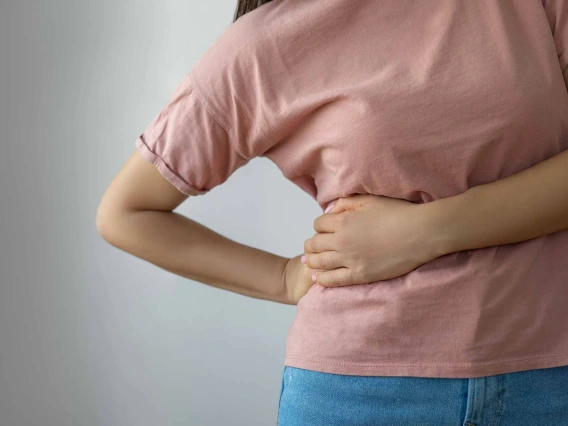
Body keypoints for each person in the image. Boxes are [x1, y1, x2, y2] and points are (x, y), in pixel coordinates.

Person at [96, 0, 568, 424]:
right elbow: (126, 213)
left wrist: (427, 232)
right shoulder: (261, 46)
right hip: (360, 393)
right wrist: (284, 277)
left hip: (553, 379)